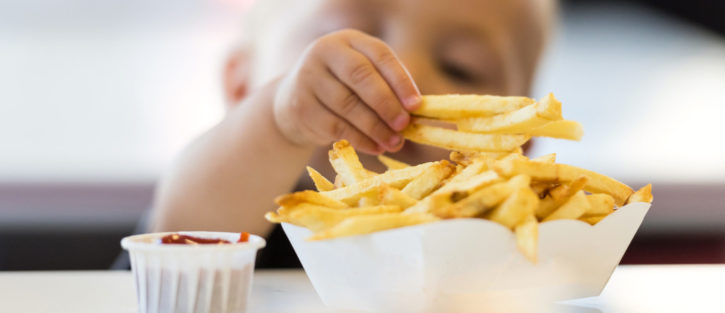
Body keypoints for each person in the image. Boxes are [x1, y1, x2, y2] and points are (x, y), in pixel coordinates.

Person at [149, 0, 555, 267]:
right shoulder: (233, 203)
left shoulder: (509, 251)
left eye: (458, 67)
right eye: (341, 41)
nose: (402, 74)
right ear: (241, 88)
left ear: (518, 138)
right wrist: (277, 121)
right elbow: (179, 237)